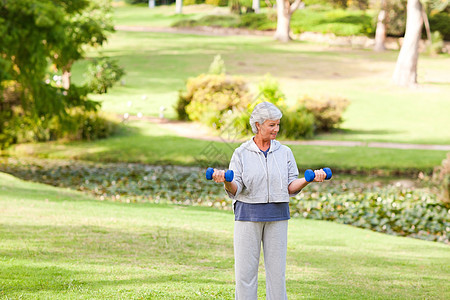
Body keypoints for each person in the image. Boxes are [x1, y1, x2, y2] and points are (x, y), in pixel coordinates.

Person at [212, 101, 327, 300]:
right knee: (246, 274)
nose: (277, 129)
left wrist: (308, 180)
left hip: (278, 216)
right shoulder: (241, 153)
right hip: (248, 215)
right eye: (272, 125)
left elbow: (290, 187)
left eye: (278, 124)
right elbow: (235, 188)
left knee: (277, 274)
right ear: (258, 125)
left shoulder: (285, 153)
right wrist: (226, 181)